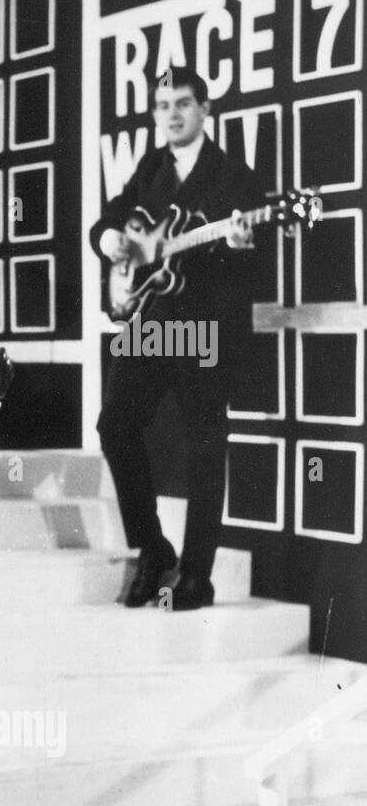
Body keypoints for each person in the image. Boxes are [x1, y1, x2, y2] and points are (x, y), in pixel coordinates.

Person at [91, 66, 262, 611]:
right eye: (162, 104)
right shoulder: (151, 168)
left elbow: (256, 261)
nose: (171, 113)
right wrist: (115, 241)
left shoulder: (234, 176)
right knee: (115, 423)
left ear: (205, 109)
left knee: (204, 440)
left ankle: (198, 574)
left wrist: (238, 243)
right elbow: (107, 224)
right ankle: (153, 548)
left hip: (205, 325)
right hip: (153, 319)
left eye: (183, 103)